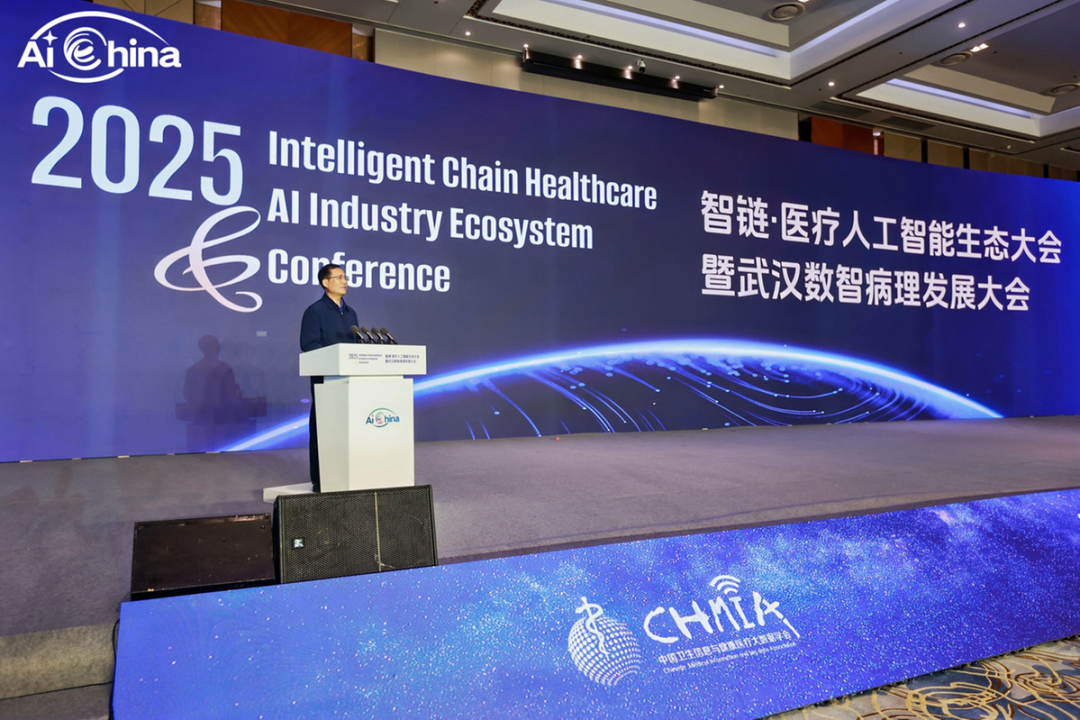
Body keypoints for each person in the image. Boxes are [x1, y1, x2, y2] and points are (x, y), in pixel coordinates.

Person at [300, 264, 359, 491]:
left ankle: (346, 474)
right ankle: (321, 479)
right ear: (325, 282)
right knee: (323, 428)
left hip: (349, 381)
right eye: (339, 277)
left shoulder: (351, 313)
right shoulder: (315, 311)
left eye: (345, 277)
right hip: (326, 381)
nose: (345, 281)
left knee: (348, 429)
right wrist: (336, 358)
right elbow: (309, 344)